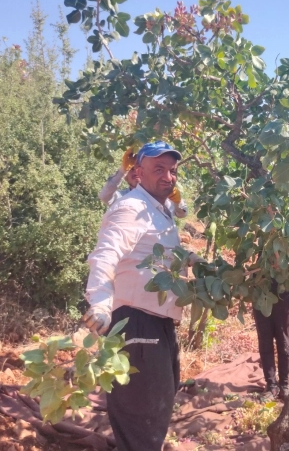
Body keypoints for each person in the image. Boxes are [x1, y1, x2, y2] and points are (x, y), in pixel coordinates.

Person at [82, 141, 205, 451]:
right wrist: (99, 302)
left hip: (158, 325)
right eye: (158, 169)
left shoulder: (158, 211)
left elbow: (160, 252)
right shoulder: (131, 207)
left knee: (155, 412)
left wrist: (190, 259)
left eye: (173, 170)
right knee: (141, 421)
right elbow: (105, 254)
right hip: (136, 324)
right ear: (137, 172)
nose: (168, 177)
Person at [99, 145, 189, 218]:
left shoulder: (163, 197)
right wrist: (123, 169)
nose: (136, 172)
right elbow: (104, 196)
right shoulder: (122, 197)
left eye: (138, 169)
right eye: (131, 169)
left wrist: (178, 201)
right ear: (125, 176)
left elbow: (182, 213)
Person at [253, 280, 289, 400]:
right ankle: (271, 385)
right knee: (265, 339)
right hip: (260, 292)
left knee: (284, 340)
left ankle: (285, 384)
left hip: (283, 293)